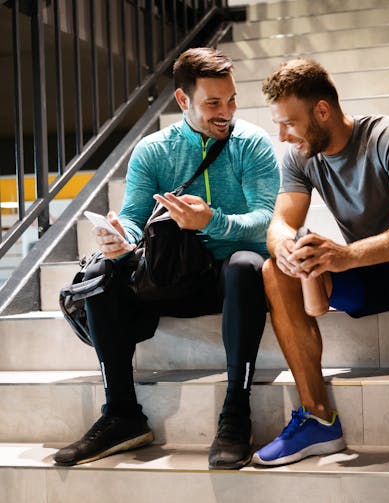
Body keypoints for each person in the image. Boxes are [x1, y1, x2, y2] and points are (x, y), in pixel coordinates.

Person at [53, 48, 279, 470]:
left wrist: (211, 221)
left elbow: (264, 220)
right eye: (213, 103)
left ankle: (236, 413)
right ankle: (122, 415)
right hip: (173, 277)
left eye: (231, 99)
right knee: (101, 272)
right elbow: (135, 220)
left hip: (231, 284)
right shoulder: (153, 150)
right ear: (182, 101)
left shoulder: (252, 144)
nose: (225, 112)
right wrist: (120, 238)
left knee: (247, 265)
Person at [252, 59, 389, 475]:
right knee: (271, 270)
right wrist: (286, 248)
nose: (282, 135)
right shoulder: (300, 156)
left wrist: (348, 255)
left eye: (289, 123)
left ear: (322, 111)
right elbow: (282, 221)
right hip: (366, 269)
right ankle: (317, 418)